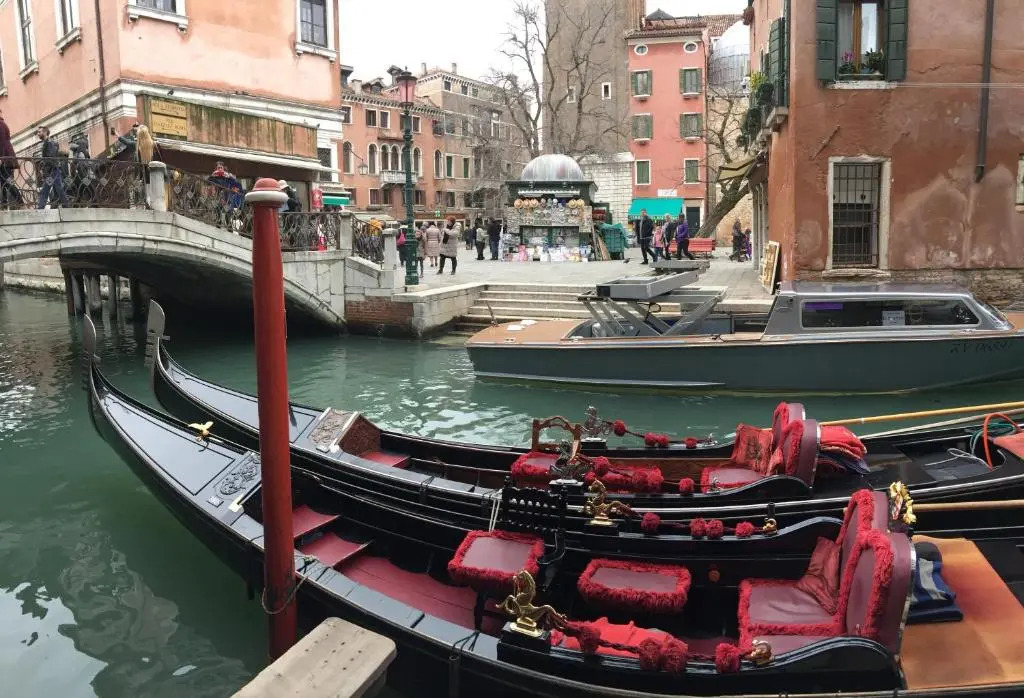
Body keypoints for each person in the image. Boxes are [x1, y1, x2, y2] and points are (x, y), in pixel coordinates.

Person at [35, 126, 69, 209]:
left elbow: (51, 157)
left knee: (47, 190)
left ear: (45, 132)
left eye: (39, 132)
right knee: (57, 189)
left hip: (52, 171)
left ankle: (40, 208)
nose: (38, 134)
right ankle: (66, 206)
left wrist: (45, 168)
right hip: (52, 170)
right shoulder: (48, 142)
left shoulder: (50, 143)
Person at [0, 110, 22, 208]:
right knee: (3, 183)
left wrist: (1, 158)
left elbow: (1, 143)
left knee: (8, 182)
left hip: (5, 159)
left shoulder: (1, 124)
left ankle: (21, 203)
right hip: (5, 159)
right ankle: (4, 206)